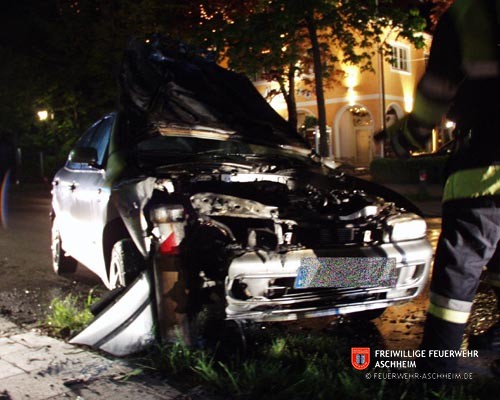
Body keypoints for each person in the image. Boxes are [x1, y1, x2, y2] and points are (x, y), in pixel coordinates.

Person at [375, 0, 500, 373]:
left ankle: (437, 371)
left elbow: (437, 87)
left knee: (457, 276)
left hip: (483, 167)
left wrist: (408, 135)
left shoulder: (470, 12)